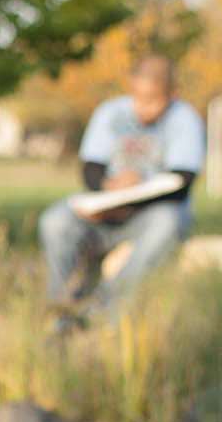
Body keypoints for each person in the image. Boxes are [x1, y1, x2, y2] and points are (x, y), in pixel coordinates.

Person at [38, 54, 205, 331]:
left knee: (168, 222)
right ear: (130, 85)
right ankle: (62, 310)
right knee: (54, 221)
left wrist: (135, 196)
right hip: (107, 209)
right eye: (137, 97)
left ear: (172, 93)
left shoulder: (185, 119)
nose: (143, 107)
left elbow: (182, 182)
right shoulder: (110, 112)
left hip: (150, 215)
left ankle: (105, 307)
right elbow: (90, 171)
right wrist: (108, 190)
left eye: (152, 100)